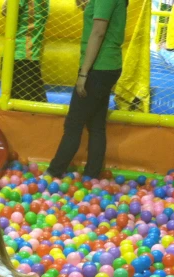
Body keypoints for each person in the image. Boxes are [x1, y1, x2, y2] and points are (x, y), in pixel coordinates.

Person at [46, 0, 127, 180]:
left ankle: (53, 172)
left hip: (98, 68)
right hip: (107, 66)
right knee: (96, 125)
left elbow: (98, 32)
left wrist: (84, 73)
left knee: (73, 124)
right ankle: (92, 175)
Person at [3, 0, 50, 102]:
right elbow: (6, 11)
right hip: (21, 57)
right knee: (29, 104)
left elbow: (5, 11)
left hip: (26, 57)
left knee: (31, 104)